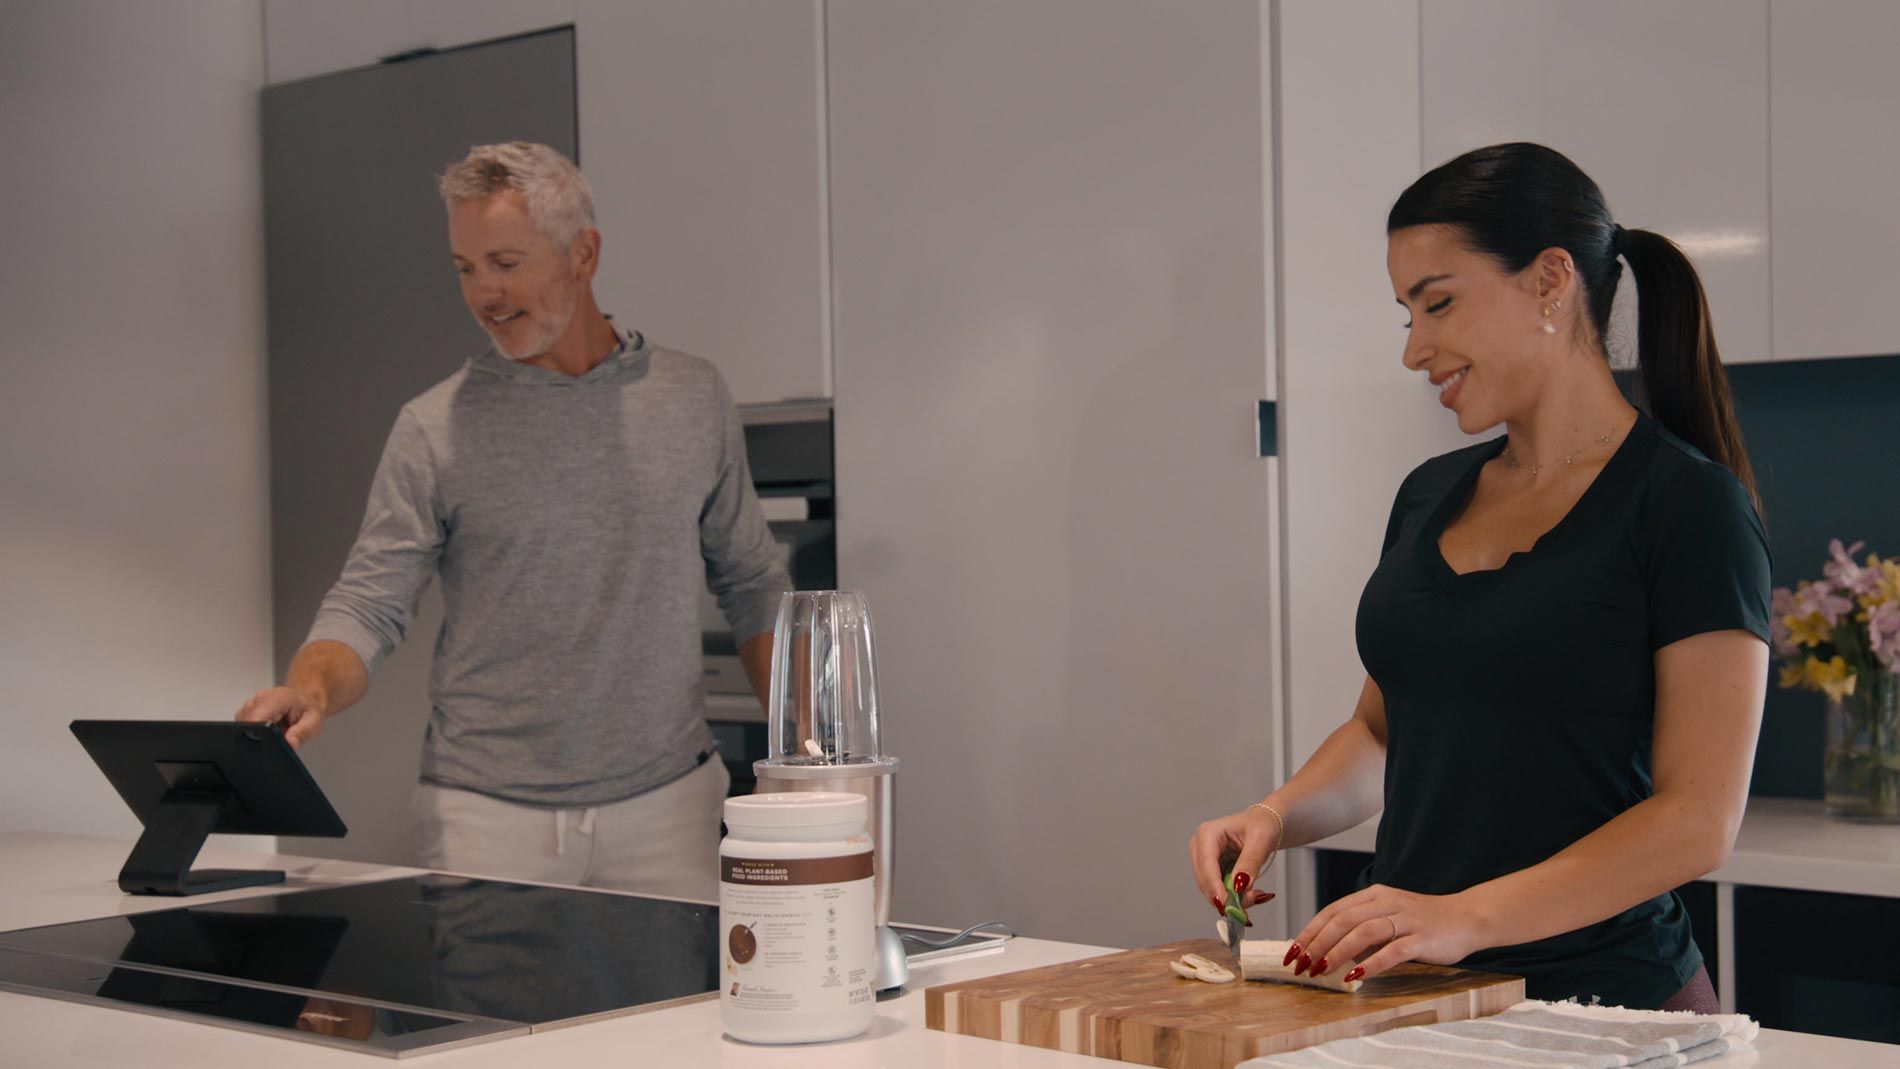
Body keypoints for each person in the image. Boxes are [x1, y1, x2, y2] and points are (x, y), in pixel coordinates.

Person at [1190, 143, 1770, 1011]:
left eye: (1440, 303)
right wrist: (1276, 814)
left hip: (1607, 1009)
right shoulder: (1429, 497)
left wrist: (1466, 917)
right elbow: (1386, 733)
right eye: (1406, 315)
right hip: (1419, 997)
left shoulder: (1688, 506)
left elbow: (1698, 821)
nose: (1416, 348)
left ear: (1549, 281)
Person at [237, 142, 789, 901]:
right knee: (487, 1022)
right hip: (487, 819)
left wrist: (808, 747)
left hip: (670, 806)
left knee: (674, 1020)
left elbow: (752, 579)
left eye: (504, 261)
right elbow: (370, 599)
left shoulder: (692, 397)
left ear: (583, 253)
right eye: (465, 268)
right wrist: (310, 686)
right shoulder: (434, 426)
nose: (484, 292)